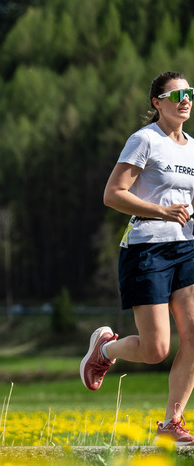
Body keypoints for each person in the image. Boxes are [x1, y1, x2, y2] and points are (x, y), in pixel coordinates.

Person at [82, 71, 194, 443]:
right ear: (157, 103)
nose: (184, 99)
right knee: (156, 349)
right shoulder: (144, 140)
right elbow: (112, 194)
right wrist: (162, 212)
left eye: (189, 93)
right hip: (147, 248)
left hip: (186, 247)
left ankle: (170, 423)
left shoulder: (192, 147)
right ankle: (105, 348)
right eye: (175, 94)